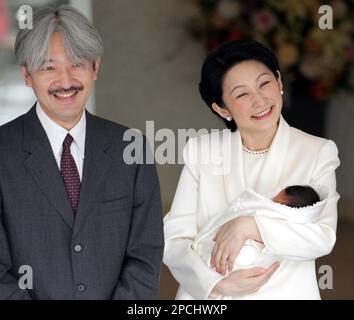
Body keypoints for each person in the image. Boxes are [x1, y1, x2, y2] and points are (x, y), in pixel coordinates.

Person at [0, 5, 164, 299]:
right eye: (48, 67)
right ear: (27, 74)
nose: (65, 81)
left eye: (76, 64)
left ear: (95, 67)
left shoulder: (132, 148)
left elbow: (145, 256)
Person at [163, 40, 340, 300]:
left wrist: (251, 226)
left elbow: (322, 237)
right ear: (222, 108)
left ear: (279, 82)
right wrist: (215, 284)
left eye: (264, 83)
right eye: (241, 94)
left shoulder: (317, 151)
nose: (259, 100)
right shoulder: (201, 151)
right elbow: (174, 238)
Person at [192, 185, 328, 300]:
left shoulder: (284, 228)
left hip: (251, 272)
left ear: (289, 209)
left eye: (276, 202)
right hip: (218, 274)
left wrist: (250, 226)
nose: (270, 202)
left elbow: (324, 242)